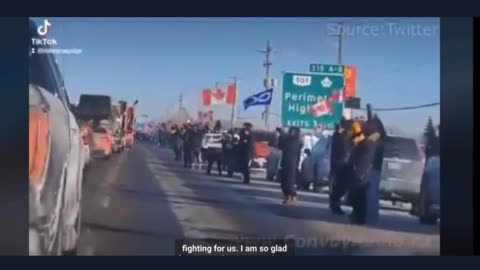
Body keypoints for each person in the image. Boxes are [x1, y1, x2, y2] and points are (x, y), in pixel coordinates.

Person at [347, 120, 379, 225]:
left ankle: (360, 217)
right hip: (359, 171)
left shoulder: (368, 144)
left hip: (363, 172)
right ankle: (357, 215)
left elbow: (365, 156)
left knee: (360, 195)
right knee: (358, 195)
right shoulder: (364, 143)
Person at [364, 106, 386, 225]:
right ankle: (369, 216)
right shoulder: (380, 141)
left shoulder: (376, 142)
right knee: (370, 193)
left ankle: (371, 218)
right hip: (370, 168)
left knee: (371, 193)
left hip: (372, 168)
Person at [329, 119, 355, 215]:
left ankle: (335, 204)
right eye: (350, 129)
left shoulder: (346, 138)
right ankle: (335, 205)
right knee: (338, 187)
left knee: (342, 187)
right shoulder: (339, 136)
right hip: (339, 165)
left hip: (345, 165)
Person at [277, 126, 303, 204]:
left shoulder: (298, 141)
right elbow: (280, 145)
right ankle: (287, 196)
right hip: (285, 162)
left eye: (292, 131)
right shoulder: (286, 140)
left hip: (292, 163)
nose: (290, 133)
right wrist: (281, 135)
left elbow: (291, 138)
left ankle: (293, 196)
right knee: (283, 182)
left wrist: (282, 133)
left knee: (290, 182)